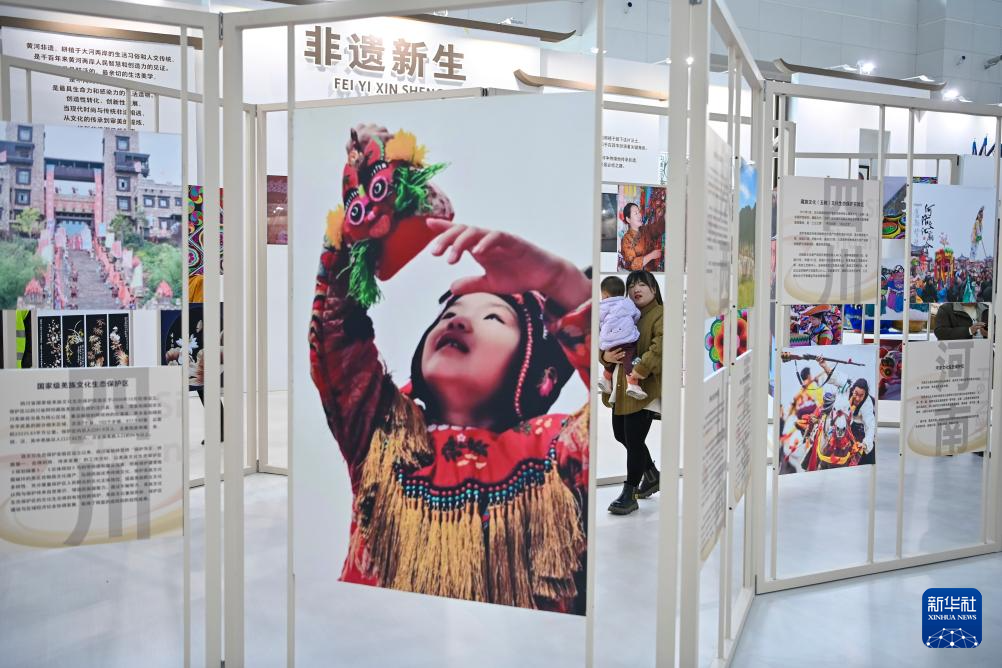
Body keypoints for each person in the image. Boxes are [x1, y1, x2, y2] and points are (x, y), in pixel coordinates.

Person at [309, 125, 590, 613]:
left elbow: (626, 398)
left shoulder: (556, 448)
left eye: (494, 318)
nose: (459, 320)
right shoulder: (385, 433)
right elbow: (334, 335)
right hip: (376, 640)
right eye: (450, 314)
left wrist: (560, 280)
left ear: (537, 374)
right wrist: (365, 227)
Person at [600, 270, 663, 515]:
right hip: (622, 386)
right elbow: (607, 338)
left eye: (642, 284)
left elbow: (659, 348)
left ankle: (630, 492)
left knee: (634, 439)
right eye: (632, 285)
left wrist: (640, 369)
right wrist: (605, 357)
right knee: (621, 434)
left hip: (643, 388)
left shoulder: (660, 314)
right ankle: (652, 474)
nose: (636, 289)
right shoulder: (625, 311)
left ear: (654, 289)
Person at [596, 275, 645, 400]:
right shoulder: (627, 303)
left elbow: (597, 321)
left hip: (608, 341)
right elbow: (637, 314)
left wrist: (604, 327)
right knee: (632, 359)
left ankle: (605, 379)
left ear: (605, 295)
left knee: (612, 357)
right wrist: (631, 323)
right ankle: (633, 384)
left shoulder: (601, 306)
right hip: (626, 340)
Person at [619, 202, 662, 271]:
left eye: (639, 212)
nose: (639, 215)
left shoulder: (646, 229)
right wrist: (651, 256)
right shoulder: (626, 239)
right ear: (628, 219)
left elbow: (658, 228)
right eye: (635, 213)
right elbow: (632, 265)